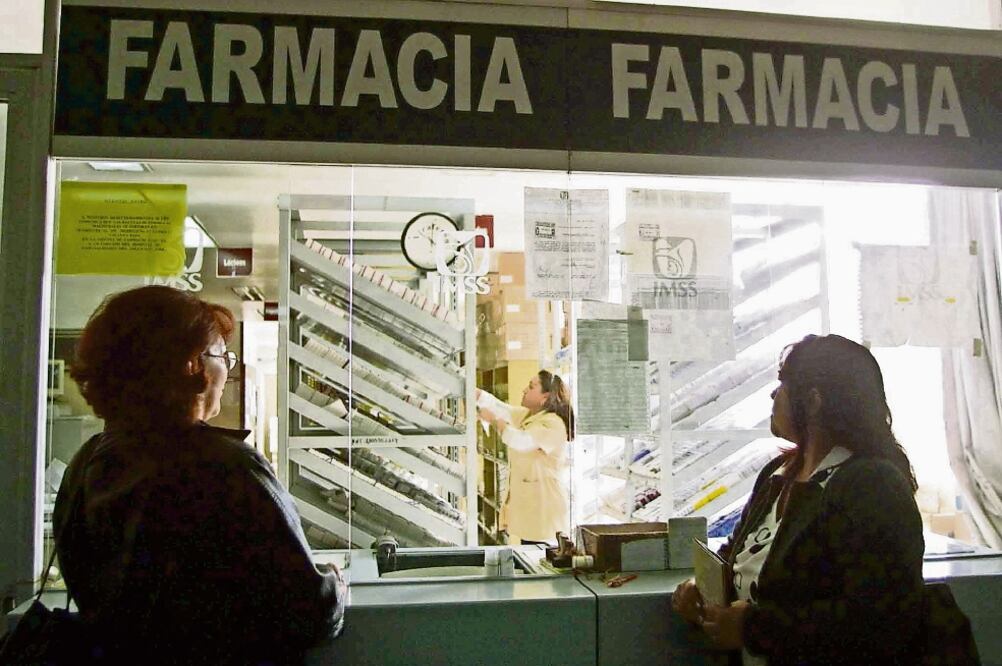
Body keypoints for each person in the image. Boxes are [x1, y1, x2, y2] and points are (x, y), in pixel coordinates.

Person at [53, 285, 345, 665]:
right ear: (193, 365)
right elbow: (311, 612)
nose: (229, 368)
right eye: (223, 355)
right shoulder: (229, 468)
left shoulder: (86, 464)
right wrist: (336, 585)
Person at [672, 334, 925, 665]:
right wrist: (699, 588)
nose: (773, 394)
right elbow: (738, 555)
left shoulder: (872, 487)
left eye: (783, 384)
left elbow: (880, 619)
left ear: (814, 402)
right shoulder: (777, 475)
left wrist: (754, 629)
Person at [477, 370, 574, 545]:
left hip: (545, 510)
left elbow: (521, 441)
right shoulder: (530, 416)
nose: (524, 390)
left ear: (545, 397)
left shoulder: (553, 424)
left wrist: (494, 421)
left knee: (540, 561)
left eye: (531, 387)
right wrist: (475, 393)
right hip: (531, 510)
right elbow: (501, 408)